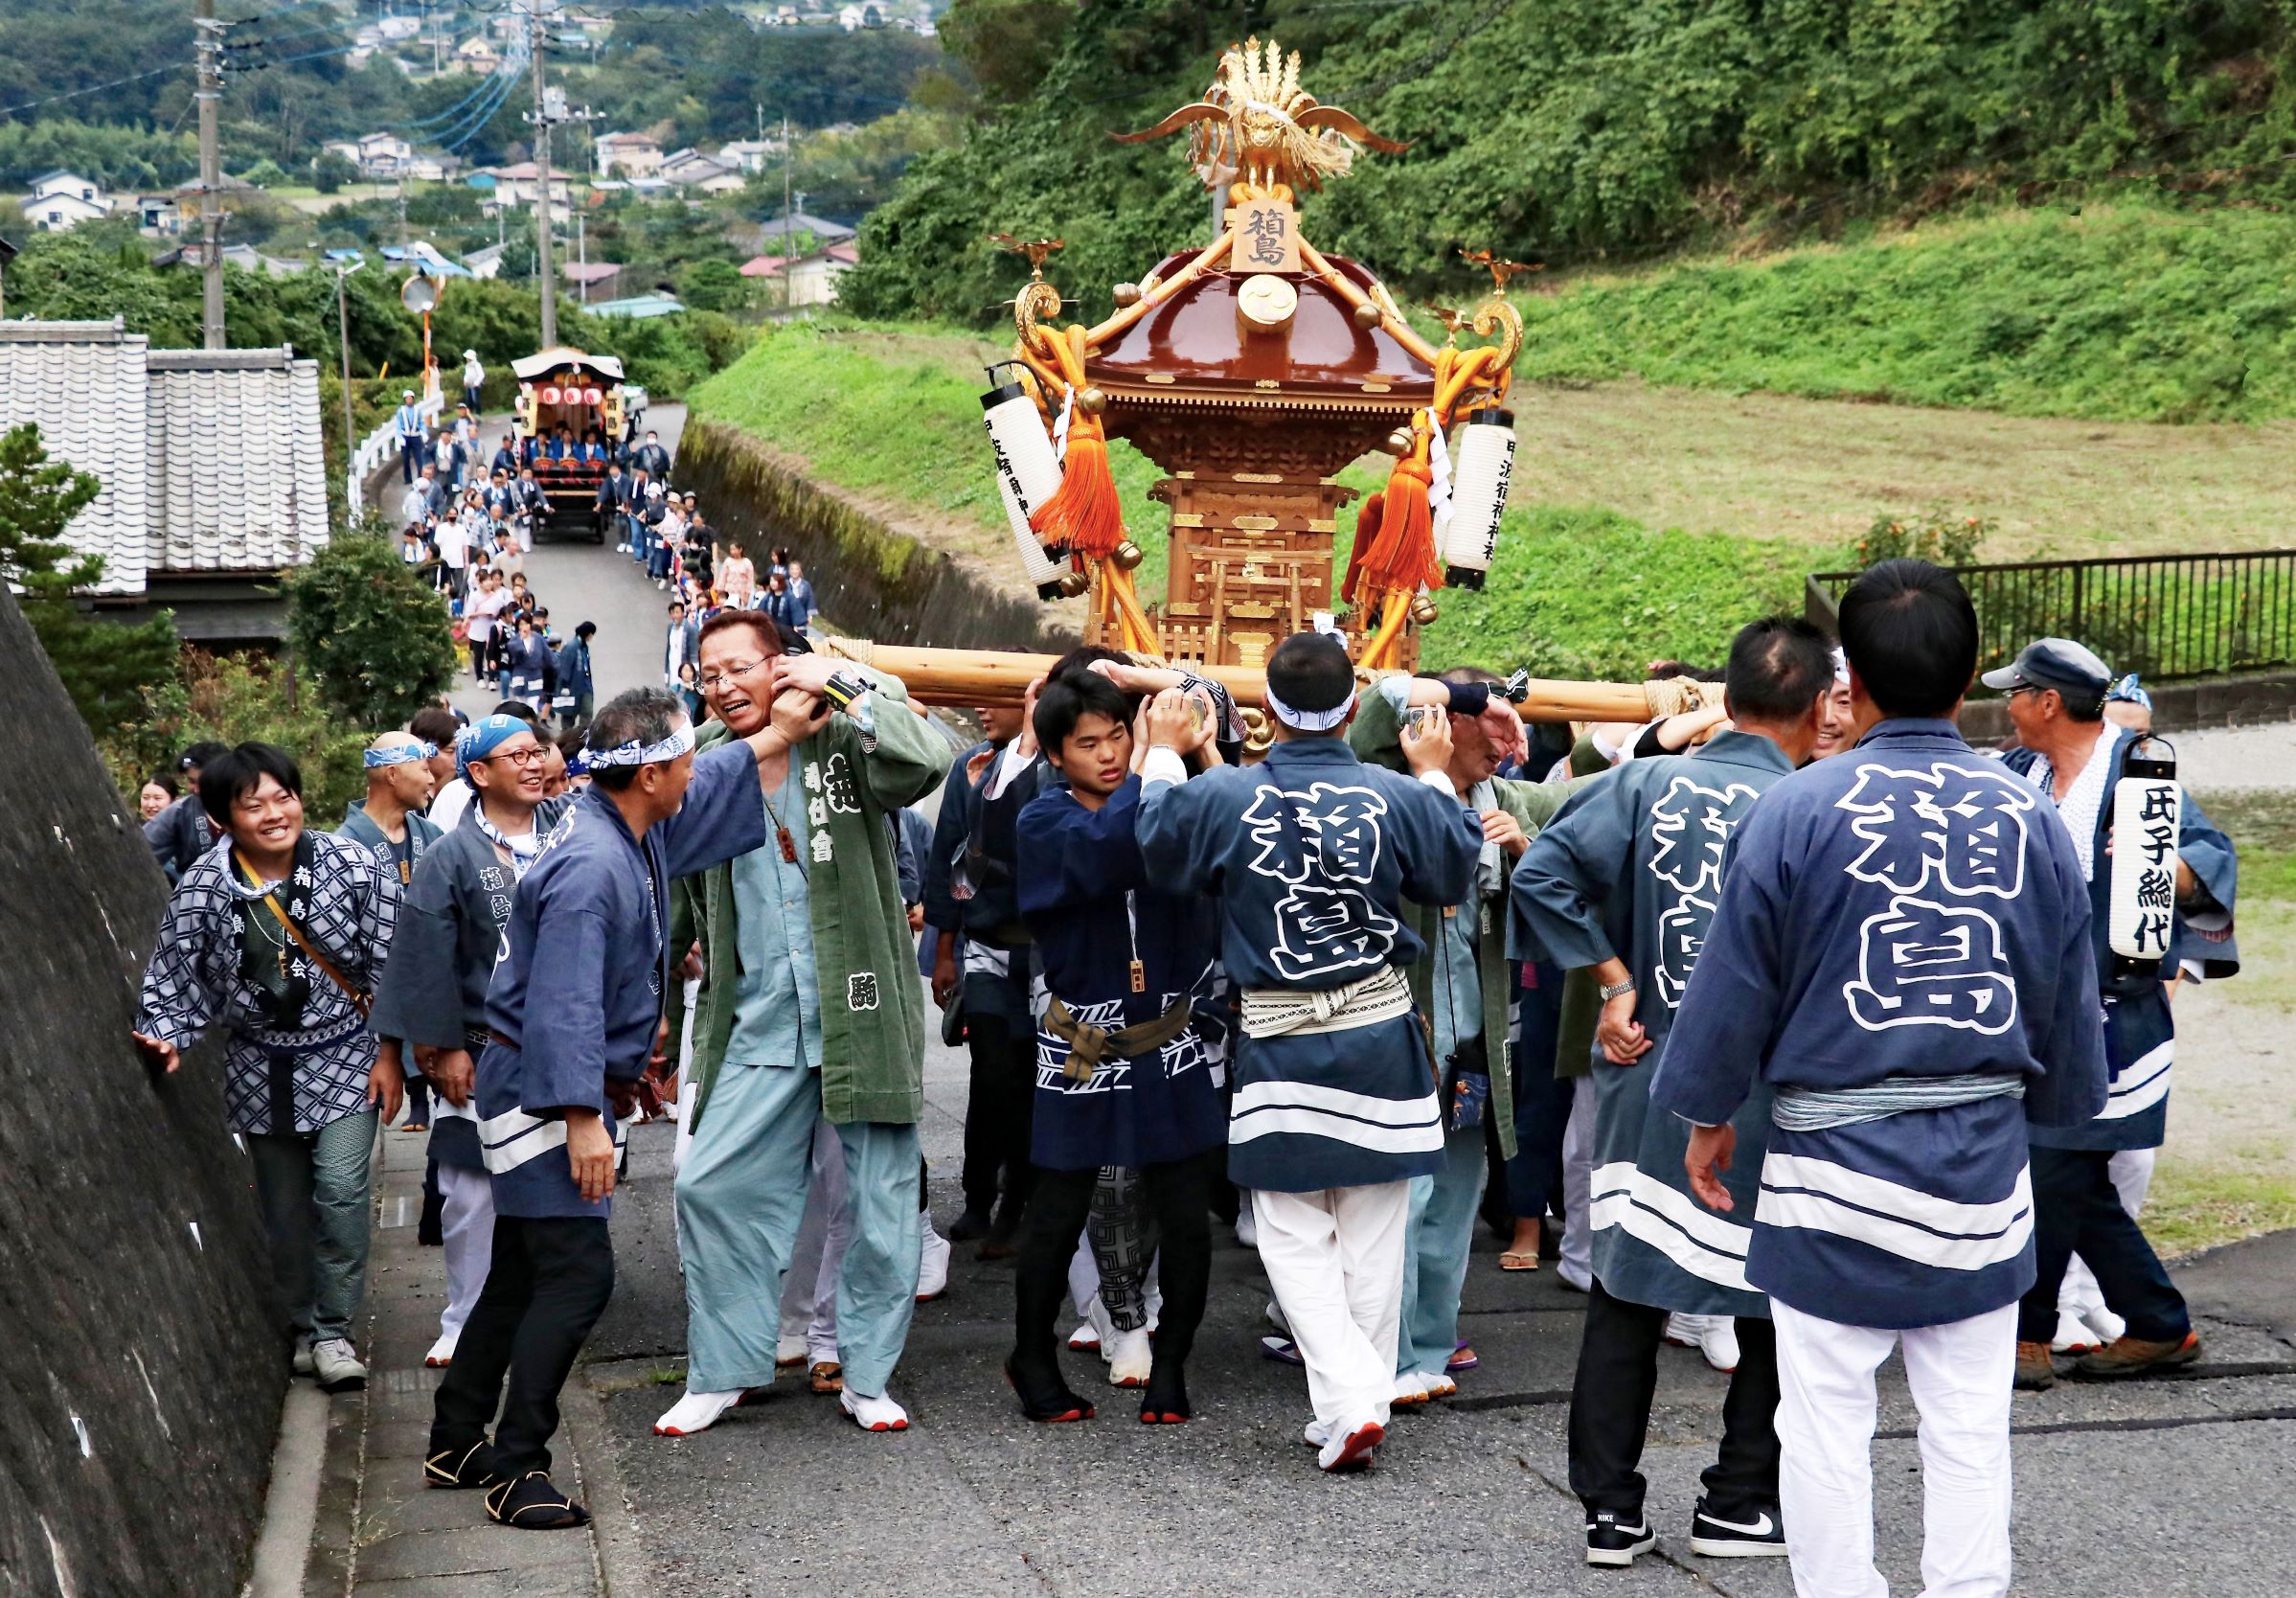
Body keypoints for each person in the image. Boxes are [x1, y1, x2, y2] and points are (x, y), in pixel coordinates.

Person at [1651, 560, 2109, 1597]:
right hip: (1980, 1172)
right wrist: (2057, 1115)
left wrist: (1708, 1115)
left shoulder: (1797, 807)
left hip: (1829, 1172)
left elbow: (1735, 981)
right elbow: (2063, 994)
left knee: (1821, 1424)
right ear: (1968, 684)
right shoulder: (2028, 815)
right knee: (1967, 1428)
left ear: (1846, 682)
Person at [1513, 618, 1837, 1567]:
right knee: (1775, 1301)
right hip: (1768, 1091)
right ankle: (1741, 1498)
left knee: (1628, 1291)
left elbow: (1541, 868)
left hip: (1647, 1065)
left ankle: (1610, 1511)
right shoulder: (1814, 806)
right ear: (1818, 708)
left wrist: (1614, 980)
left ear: (1725, 700)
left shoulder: (1650, 780)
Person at [423, 687, 789, 1528]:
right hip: (542, 1090)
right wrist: (582, 1115)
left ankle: (455, 1435)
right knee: (578, 1275)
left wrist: (775, 732)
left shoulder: (622, 828)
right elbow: (562, 1004)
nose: (696, 774)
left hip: (551, 1079)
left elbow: (715, 787)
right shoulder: (592, 863)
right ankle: (517, 1467)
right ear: (654, 774)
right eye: (686, 763)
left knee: (521, 1267)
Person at [1136, 630, 1481, 1472]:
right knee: (1373, 1232)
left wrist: (1158, 754)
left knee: (1292, 1232)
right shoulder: (1396, 796)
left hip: (1283, 1037)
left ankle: (1350, 1402)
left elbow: (1157, 845)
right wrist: (1434, 769)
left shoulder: (1226, 794)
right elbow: (1451, 872)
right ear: (1353, 708)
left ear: (1264, 712)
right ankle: (1353, 1405)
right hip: (1379, 1036)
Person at [648, 612, 953, 1440]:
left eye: (738, 668)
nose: (723, 686)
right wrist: (659, 1023)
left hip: (860, 1008)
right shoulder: (704, 762)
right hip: (753, 1019)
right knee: (708, 1185)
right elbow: (670, 897)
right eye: (709, 674)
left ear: (780, 665)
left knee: (881, 1207)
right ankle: (722, 1367)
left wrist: (841, 681)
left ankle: (866, 1373)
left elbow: (930, 760)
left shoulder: (842, 731)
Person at [1987, 639, 2238, 1385]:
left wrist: (2162, 861)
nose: (2005, 707)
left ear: (2047, 703)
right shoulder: (2014, 771)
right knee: (2072, 1174)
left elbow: (2208, 861)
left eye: (2014, 693)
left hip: (2113, 1016)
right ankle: (2160, 1325)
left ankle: (2027, 1336)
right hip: (2035, 1018)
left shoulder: (2139, 770)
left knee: (2052, 1164)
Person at [131, 742, 404, 1394]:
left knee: (340, 1193)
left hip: (345, 1054)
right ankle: (305, 1324)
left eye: (284, 796)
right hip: (260, 1067)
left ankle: (335, 1330)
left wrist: (392, 1054)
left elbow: (397, 962)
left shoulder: (352, 864)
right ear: (223, 818)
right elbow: (174, 974)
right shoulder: (203, 887)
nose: (275, 812)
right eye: (254, 804)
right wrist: (168, 1034)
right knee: (284, 1211)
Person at [1006, 672, 1230, 1426]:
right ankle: (1030, 1357)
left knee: (1184, 1210)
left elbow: (1223, 833)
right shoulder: (1044, 820)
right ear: (1057, 754)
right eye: (1087, 743)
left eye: (1117, 737)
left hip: (1169, 1035)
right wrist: (1155, 763)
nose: (1107, 756)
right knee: (1058, 1206)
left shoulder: (1166, 791)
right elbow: (1109, 849)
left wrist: (1188, 756)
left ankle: (1172, 1366)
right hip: (1083, 1040)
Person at [1343, 669, 1561, 1412]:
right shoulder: (1385, 788)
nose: (1511, 742)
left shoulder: (1507, 801)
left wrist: (1526, 847)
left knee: (1452, 1207)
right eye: (1494, 723)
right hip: (1401, 1036)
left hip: (1476, 1042)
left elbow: (1593, 784)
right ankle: (1385, 1352)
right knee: (1396, 1206)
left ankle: (1429, 1348)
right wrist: (1416, 691)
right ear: (1444, 724)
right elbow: (1371, 718)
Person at [375, 716, 573, 1369]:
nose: (533, 763)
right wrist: (444, 1043)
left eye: (537, 751)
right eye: (514, 756)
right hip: (482, 1046)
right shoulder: (450, 856)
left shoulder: (572, 833)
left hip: (564, 1042)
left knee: (563, 1185)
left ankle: (551, 1314)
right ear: (479, 773)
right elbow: (425, 953)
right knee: (468, 1192)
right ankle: (464, 1317)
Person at [923, 699, 1040, 1252]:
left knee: (1032, 1085)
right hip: (986, 947)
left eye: (998, 700)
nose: (981, 711)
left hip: (1045, 956)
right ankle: (977, 1198)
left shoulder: (1063, 769)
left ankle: (1018, 1204)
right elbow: (949, 855)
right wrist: (943, 947)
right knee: (992, 1078)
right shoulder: (970, 765)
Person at [340, 732, 443, 889]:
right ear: (392, 775)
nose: (431, 780)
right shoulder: (344, 845)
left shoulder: (431, 834)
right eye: (425, 769)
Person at [146, 741, 229, 881]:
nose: (196, 789)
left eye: (203, 782)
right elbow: (140, 852)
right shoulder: (179, 812)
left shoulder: (249, 808)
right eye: (191, 781)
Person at [556, 621, 597, 730]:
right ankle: (566, 740)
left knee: (587, 713)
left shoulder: (584, 646)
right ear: (588, 634)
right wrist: (564, 687)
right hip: (571, 687)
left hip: (585, 686)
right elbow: (564, 667)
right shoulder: (571, 647)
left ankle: (582, 739)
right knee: (569, 716)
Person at [664, 598, 699, 687]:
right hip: (672, 665)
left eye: (677, 612)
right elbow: (669, 649)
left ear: (683, 613)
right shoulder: (670, 627)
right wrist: (666, 671)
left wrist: (694, 675)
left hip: (685, 667)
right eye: (672, 613)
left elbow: (694, 652)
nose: (674, 615)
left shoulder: (691, 629)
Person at [396, 389, 427, 482]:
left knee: (419, 458)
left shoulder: (418, 410)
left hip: (416, 436)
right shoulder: (401, 411)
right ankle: (408, 478)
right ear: (405, 400)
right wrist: (400, 437)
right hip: (405, 437)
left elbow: (422, 422)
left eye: (411, 398)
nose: (409, 400)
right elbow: (398, 425)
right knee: (405, 459)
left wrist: (424, 433)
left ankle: (420, 477)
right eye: (407, 399)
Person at [784, 559, 818, 635]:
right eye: (792, 569)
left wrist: (810, 617)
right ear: (789, 571)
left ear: (800, 571)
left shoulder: (806, 585)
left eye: (796, 569)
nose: (794, 571)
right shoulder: (785, 584)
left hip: (800, 620)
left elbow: (810, 600)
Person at [720, 542, 758, 609]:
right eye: (731, 550)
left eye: (734, 549)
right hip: (728, 590)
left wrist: (747, 595)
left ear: (740, 549)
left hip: (741, 592)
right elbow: (723, 576)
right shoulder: (728, 561)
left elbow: (750, 580)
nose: (732, 551)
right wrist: (720, 591)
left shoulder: (747, 562)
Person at [462, 350, 485, 414]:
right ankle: (469, 414)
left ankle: (478, 414)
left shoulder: (477, 365)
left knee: (475, 400)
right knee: (468, 400)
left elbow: (481, 375)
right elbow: (467, 374)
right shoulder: (467, 365)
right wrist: (465, 381)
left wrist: (476, 383)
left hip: (475, 385)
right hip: (469, 385)